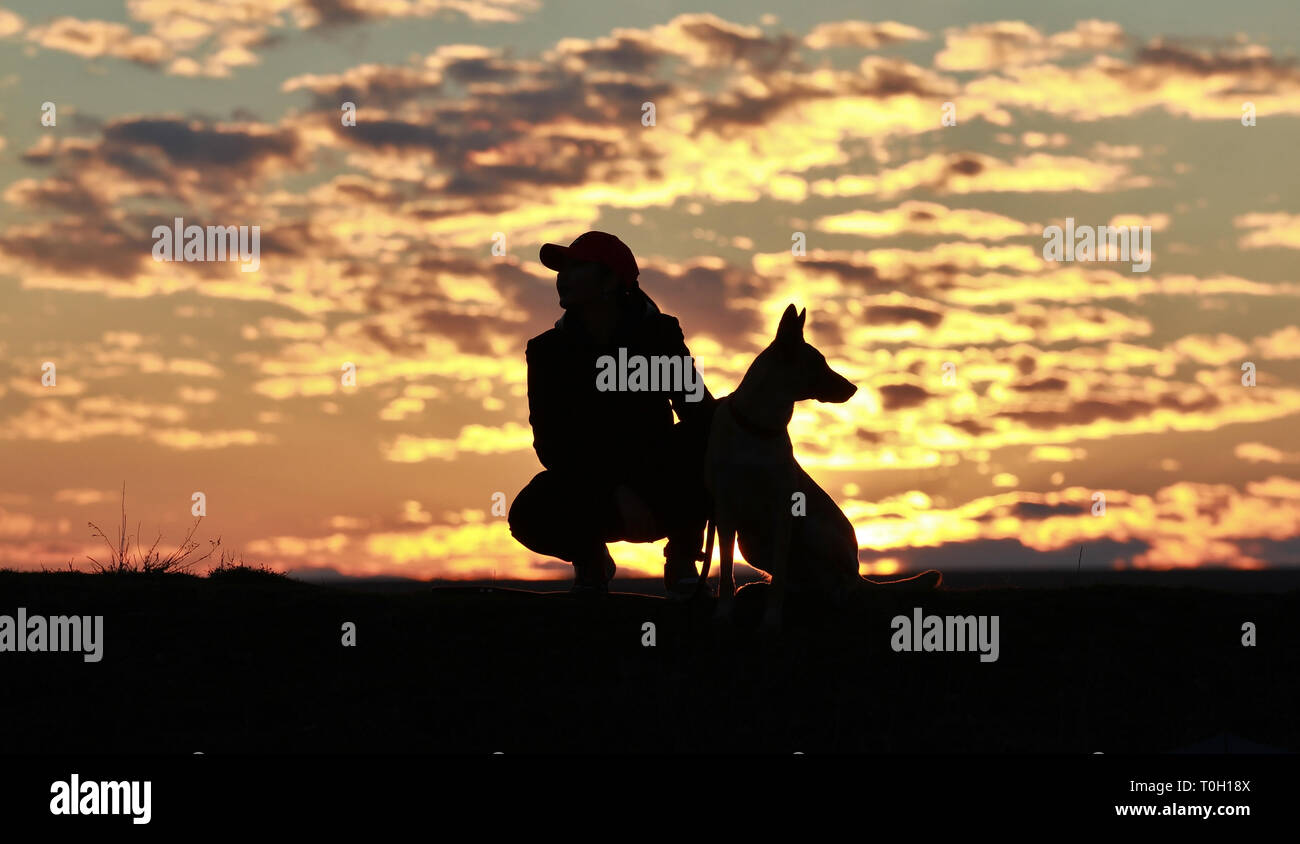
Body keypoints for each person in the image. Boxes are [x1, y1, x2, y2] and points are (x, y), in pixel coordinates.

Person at [508, 231, 716, 597]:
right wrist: (615, 488)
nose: (563, 277)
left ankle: (682, 557)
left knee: (709, 439)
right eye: (561, 269)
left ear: (609, 280)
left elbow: (698, 413)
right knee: (529, 513)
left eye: (576, 267)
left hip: (660, 483)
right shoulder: (547, 351)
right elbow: (551, 443)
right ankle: (590, 560)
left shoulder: (660, 335)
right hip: (589, 490)